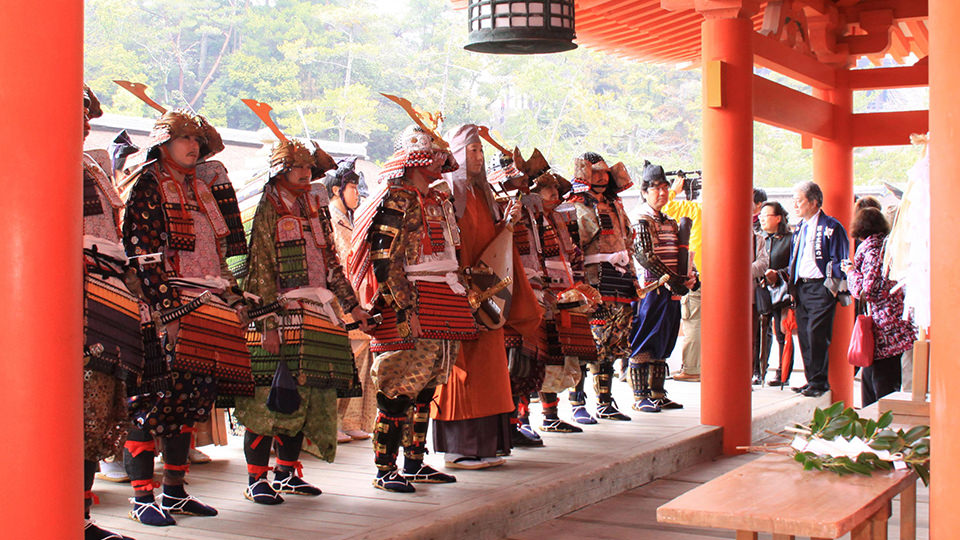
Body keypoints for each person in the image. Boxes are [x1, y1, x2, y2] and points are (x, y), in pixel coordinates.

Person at [121, 108, 253, 525]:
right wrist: (165, 309)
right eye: (184, 139)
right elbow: (142, 252)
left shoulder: (202, 188)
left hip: (207, 306)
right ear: (163, 143)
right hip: (167, 308)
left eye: (197, 140)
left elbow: (217, 254)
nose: (193, 146)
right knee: (151, 401)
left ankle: (175, 492)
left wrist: (234, 300)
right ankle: (143, 498)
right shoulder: (148, 184)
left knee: (188, 400)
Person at [235, 137, 369, 504]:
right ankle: (256, 479)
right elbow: (260, 267)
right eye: (298, 166)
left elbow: (331, 265)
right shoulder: (268, 206)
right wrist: (267, 324)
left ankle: (287, 472)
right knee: (269, 399)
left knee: (308, 394)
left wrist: (353, 307)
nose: (306, 172)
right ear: (280, 170)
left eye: (309, 167)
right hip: (279, 312)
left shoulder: (315, 203)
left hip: (317, 313)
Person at [349, 122, 472, 492]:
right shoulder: (396, 199)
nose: (439, 162)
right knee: (396, 389)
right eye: (433, 155)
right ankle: (385, 468)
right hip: (410, 299)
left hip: (443, 298)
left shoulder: (439, 201)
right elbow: (385, 259)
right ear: (417, 158)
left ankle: (415, 462)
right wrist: (405, 307)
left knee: (426, 388)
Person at [432, 124, 542, 467]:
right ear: (456, 153)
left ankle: (487, 445)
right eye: (471, 149)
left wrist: (507, 224)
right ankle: (460, 448)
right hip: (461, 292)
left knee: (490, 372)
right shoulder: (447, 193)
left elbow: (492, 245)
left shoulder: (485, 196)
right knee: (463, 368)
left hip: (488, 293)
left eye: (480, 150)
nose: (478, 156)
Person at [81, 85, 137, 540]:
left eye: (85, 114)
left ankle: (77, 515)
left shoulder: (91, 167)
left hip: (103, 294)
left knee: (97, 404)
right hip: (57, 302)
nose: (82, 122)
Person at [568, 152, 637, 421]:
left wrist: (630, 272)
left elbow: (627, 239)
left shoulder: (616, 204)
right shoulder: (574, 205)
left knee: (612, 341)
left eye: (605, 172)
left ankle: (605, 401)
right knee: (587, 343)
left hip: (618, 278)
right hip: (591, 279)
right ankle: (577, 401)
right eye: (595, 172)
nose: (601, 177)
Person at [628, 163, 698, 413]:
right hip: (650, 290)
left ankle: (658, 392)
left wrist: (692, 276)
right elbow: (645, 256)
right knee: (645, 339)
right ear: (645, 192)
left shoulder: (668, 221)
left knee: (664, 341)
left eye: (665, 187)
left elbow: (684, 254)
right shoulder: (640, 218)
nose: (662, 192)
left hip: (671, 289)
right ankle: (640, 396)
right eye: (656, 188)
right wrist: (672, 280)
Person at [325, 157, 377, 443]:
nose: (357, 193)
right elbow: (341, 262)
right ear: (337, 190)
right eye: (353, 187)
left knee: (360, 363)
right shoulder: (332, 217)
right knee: (344, 362)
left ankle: (350, 420)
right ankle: (334, 422)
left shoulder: (349, 218)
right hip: (342, 300)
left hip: (357, 298)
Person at [844, 207, 917, 407]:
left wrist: (851, 272)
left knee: (882, 382)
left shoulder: (873, 252)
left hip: (884, 327)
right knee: (873, 376)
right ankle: (875, 420)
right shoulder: (887, 247)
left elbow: (868, 291)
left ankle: (882, 424)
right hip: (892, 321)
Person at [788, 181, 849, 398]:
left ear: (814, 202)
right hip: (802, 287)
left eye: (799, 201)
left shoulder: (831, 226)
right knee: (804, 334)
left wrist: (831, 289)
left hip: (821, 287)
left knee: (817, 334)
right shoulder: (800, 228)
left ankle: (820, 382)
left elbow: (840, 258)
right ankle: (811, 380)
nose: (795, 205)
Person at [661, 175, 702, 382]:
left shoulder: (694, 210)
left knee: (693, 321)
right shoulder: (725, 209)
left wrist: (675, 189)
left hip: (698, 273)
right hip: (722, 273)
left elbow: (662, 206)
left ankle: (693, 368)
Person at [759, 201, 795, 386]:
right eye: (761, 216)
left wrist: (778, 274)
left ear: (778, 218)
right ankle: (759, 371)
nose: (762, 218)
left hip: (784, 293)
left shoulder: (791, 239)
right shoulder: (760, 239)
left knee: (782, 331)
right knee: (761, 331)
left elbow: (795, 265)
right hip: (764, 291)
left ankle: (783, 373)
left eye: (766, 216)